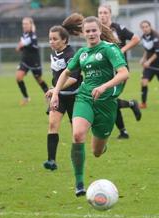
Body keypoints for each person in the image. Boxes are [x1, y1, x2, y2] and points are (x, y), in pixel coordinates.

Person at [50, 15, 129, 197]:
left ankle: (102, 144)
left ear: (100, 31)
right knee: (77, 135)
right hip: (85, 97)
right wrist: (55, 92)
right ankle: (79, 183)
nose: (91, 33)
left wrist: (104, 86)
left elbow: (124, 73)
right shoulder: (82, 53)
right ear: (83, 34)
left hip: (106, 104)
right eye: (88, 31)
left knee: (96, 152)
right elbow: (66, 73)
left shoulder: (110, 49)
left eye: (94, 30)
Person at [98, 4, 141, 139]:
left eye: (105, 12)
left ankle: (122, 130)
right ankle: (124, 130)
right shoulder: (97, 30)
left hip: (119, 70)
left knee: (109, 99)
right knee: (110, 99)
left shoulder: (118, 28)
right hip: (104, 71)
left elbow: (136, 38)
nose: (102, 15)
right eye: (100, 13)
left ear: (110, 14)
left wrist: (122, 50)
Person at [43, 25, 82, 171]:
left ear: (64, 40)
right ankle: (51, 161)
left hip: (75, 96)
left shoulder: (71, 55)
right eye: (50, 39)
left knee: (76, 132)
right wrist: (55, 91)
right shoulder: (54, 53)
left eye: (55, 39)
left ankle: (77, 160)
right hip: (59, 96)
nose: (51, 42)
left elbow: (72, 78)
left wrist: (55, 89)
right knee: (52, 125)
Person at [15, 17, 49, 105]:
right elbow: (21, 46)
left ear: (31, 25)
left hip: (34, 62)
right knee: (18, 77)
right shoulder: (24, 35)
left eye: (26, 24)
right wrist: (21, 46)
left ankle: (49, 95)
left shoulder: (33, 36)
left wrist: (21, 45)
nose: (24, 25)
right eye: (23, 24)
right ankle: (26, 97)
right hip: (25, 61)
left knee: (39, 80)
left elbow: (22, 45)